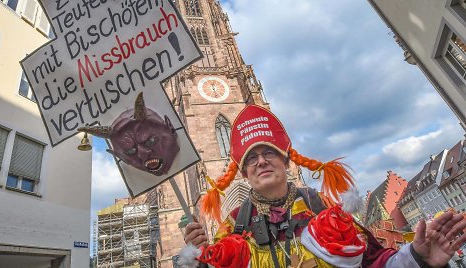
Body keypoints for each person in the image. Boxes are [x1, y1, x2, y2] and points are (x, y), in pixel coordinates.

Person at [182, 105, 466, 268]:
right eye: (251, 158)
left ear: (287, 161)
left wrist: (417, 258)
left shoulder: (319, 206)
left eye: (269, 153)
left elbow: (373, 261)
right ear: (243, 173)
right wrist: (198, 259)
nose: (261, 162)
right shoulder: (234, 225)